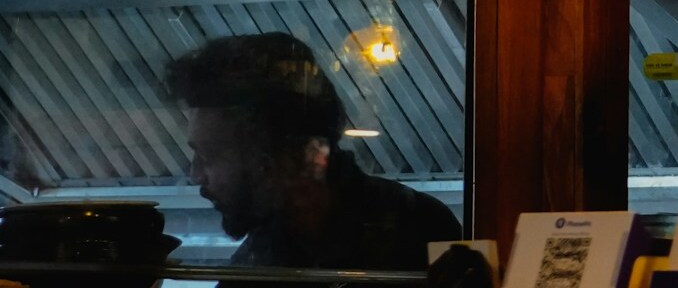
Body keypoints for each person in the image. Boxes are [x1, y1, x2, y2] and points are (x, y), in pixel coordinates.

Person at [167, 32, 461, 276]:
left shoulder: (415, 231)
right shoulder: (264, 254)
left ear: (272, 155)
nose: (196, 175)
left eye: (208, 154)